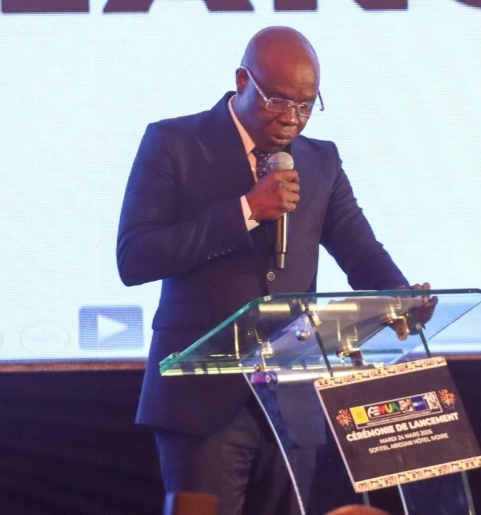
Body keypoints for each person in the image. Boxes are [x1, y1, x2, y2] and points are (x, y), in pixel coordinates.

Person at [116, 26, 424, 515]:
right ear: (243, 81)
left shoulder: (321, 161)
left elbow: (361, 252)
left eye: (305, 106)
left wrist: (401, 296)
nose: (291, 119)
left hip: (291, 396)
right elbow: (135, 256)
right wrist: (245, 211)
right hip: (201, 401)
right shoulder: (174, 142)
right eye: (278, 101)